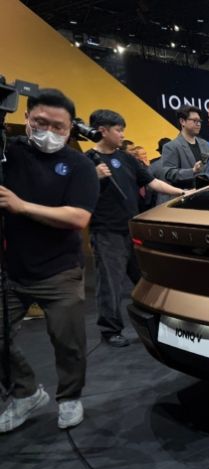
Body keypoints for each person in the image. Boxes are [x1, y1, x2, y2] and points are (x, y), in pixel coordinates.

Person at [0, 89, 99, 432]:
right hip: (12, 269)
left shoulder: (80, 165)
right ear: (26, 118)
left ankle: (70, 396)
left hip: (60, 270)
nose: (48, 131)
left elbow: (78, 217)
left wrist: (21, 206)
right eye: (40, 122)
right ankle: (25, 392)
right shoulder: (9, 153)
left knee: (68, 342)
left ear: (70, 128)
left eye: (58, 127)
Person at [87, 110, 186, 347]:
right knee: (110, 283)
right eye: (118, 130)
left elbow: (152, 182)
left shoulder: (127, 159)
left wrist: (182, 192)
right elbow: (75, 190)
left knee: (145, 278)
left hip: (132, 228)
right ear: (103, 131)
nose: (122, 135)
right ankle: (110, 330)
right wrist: (93, 176)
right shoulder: (87, 160)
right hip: (106, 231)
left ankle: (158, 321)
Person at [160, 104, 209, 193]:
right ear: (182, 121)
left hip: (208, 193)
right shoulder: (171, 147)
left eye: (199, 121)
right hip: (186, 195)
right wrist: (192, 171)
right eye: (195, 120)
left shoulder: (205, 144)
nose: (198, 124)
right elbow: (169, 174)